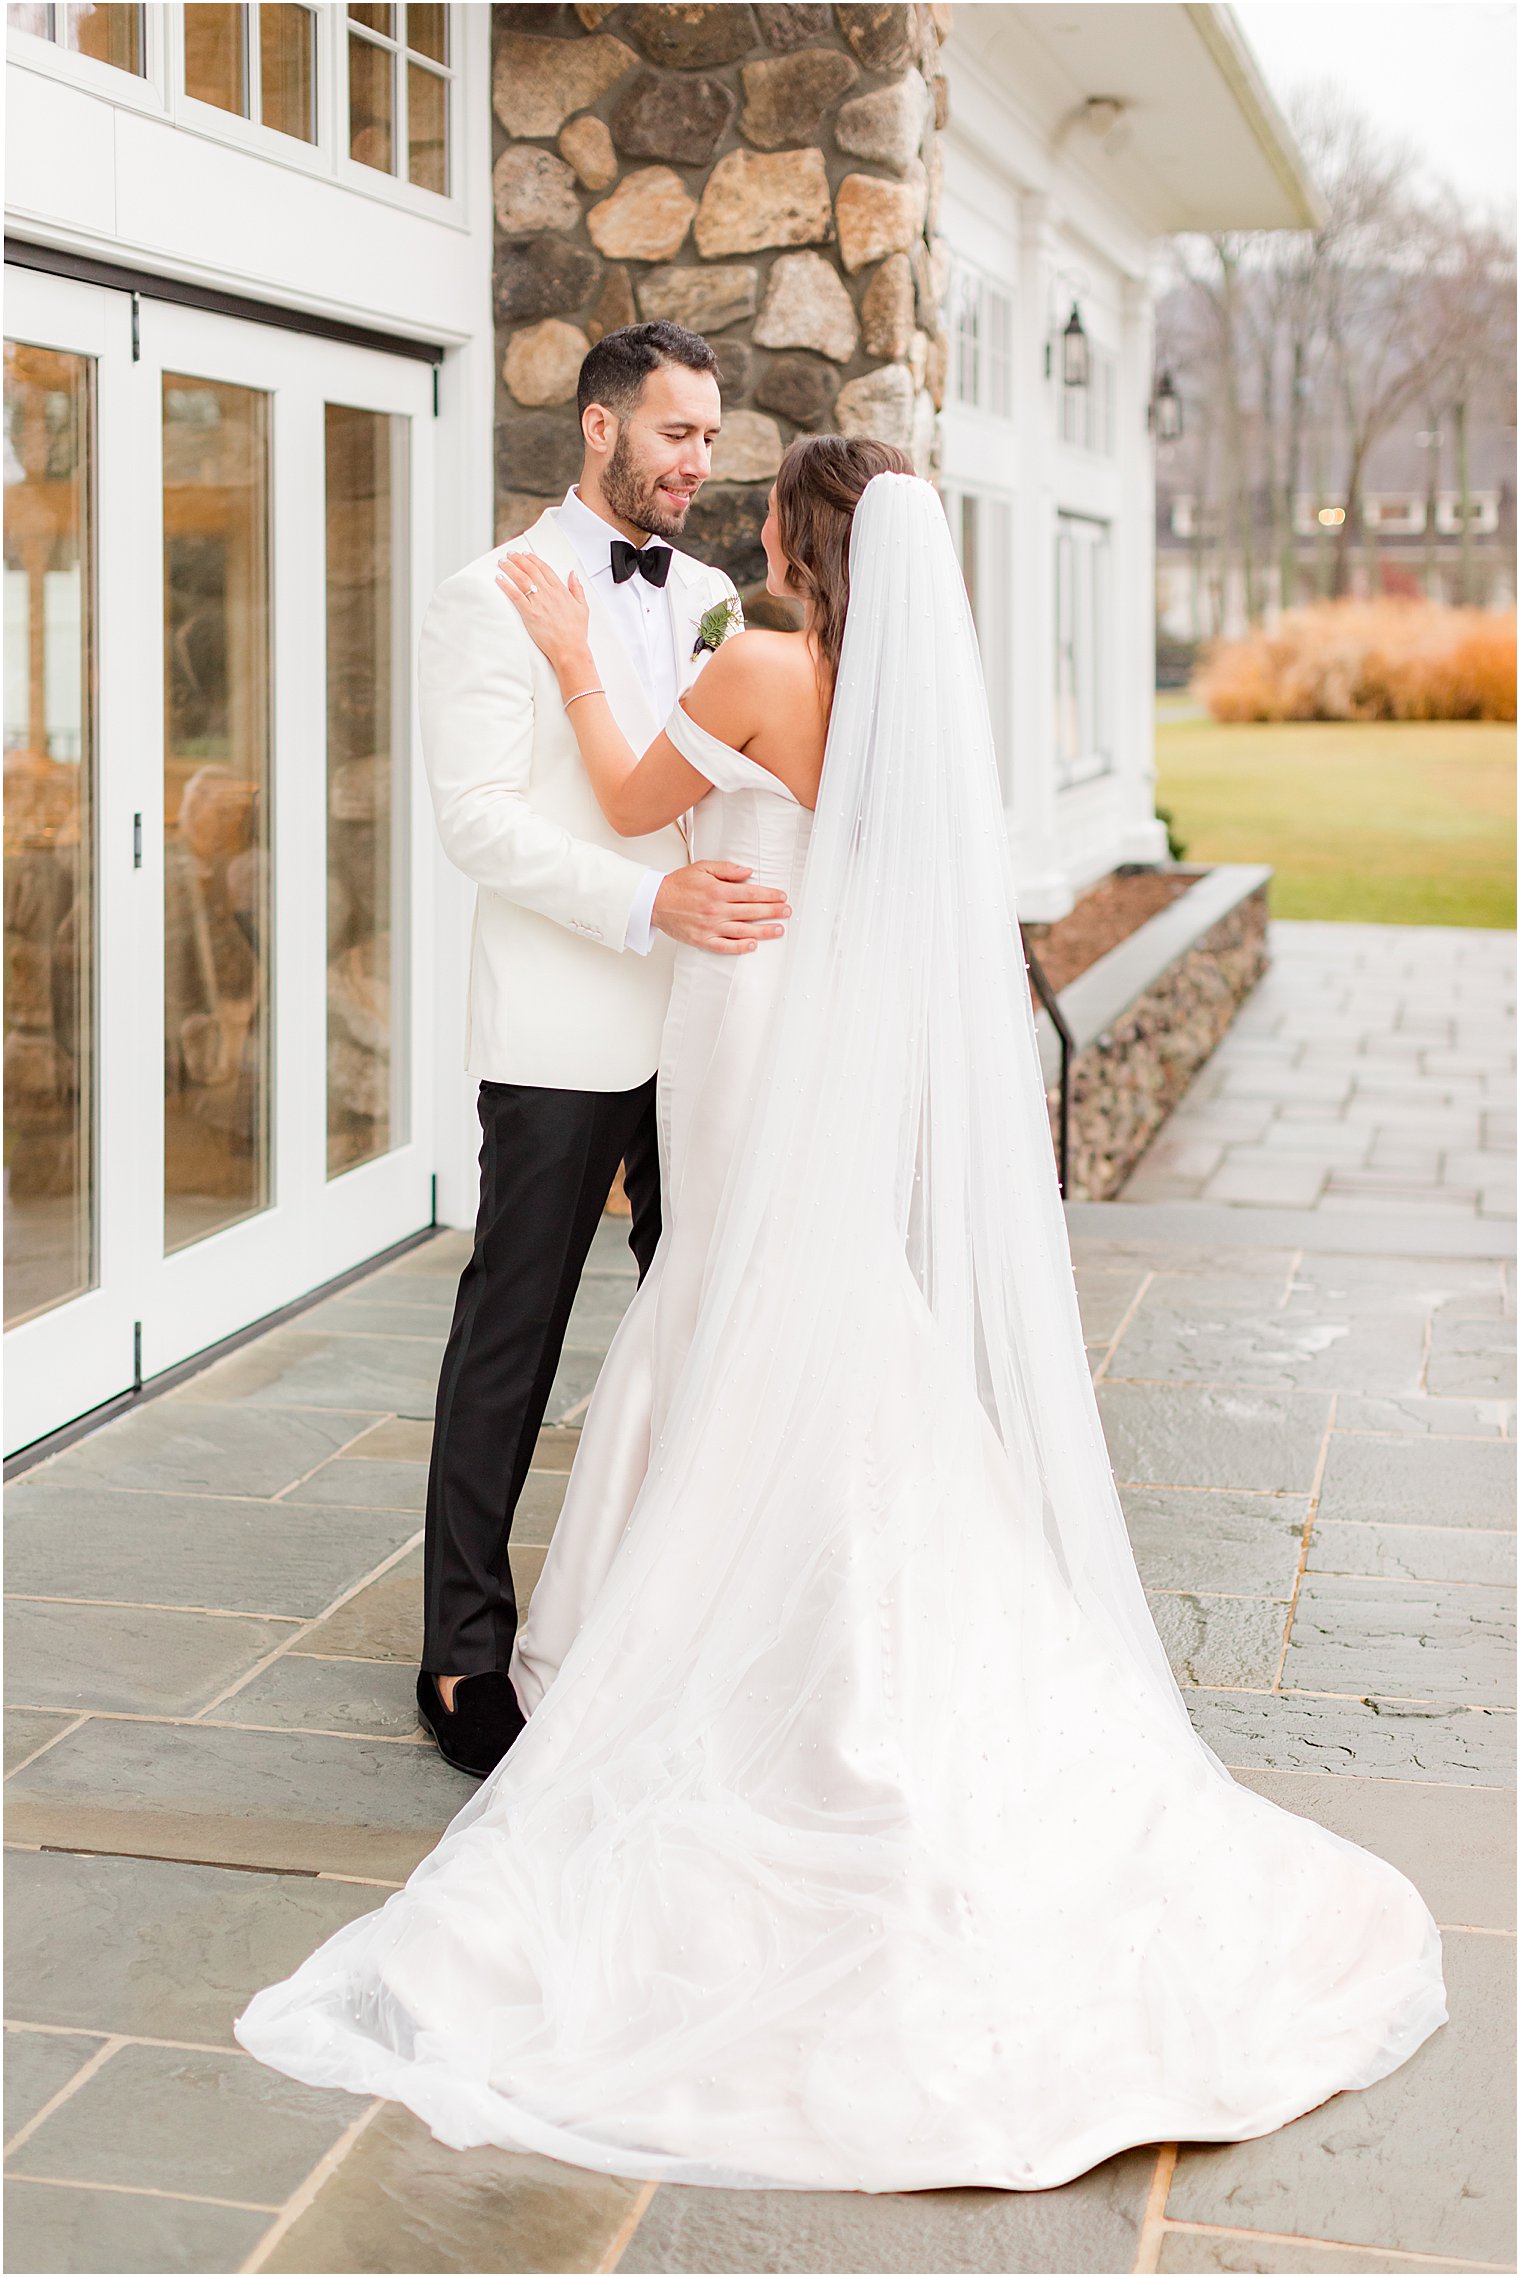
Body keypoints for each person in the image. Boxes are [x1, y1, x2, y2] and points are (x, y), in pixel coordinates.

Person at [235, 443, 1446, 2193]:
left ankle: (738, 1624)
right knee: (793, 1300)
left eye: (763, 510)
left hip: (739, 1000)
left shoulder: (761, 662)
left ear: (796, 541)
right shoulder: (873, 687)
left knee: (733, 1288)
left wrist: (579, 660)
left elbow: (638, 800)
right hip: (791, 1003)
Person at [412, 322, 790, 1778]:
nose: (698, 461)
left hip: (706, 1026)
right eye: (675, 434)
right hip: (565, 1022)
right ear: (598, 428)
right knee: (513, 1333)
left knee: (703, 1318)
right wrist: (650, 901)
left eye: (709, 437)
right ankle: (460, 1651)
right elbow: (479, 821)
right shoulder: (487, 597)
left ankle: (674, 1612)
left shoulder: (710, 596)